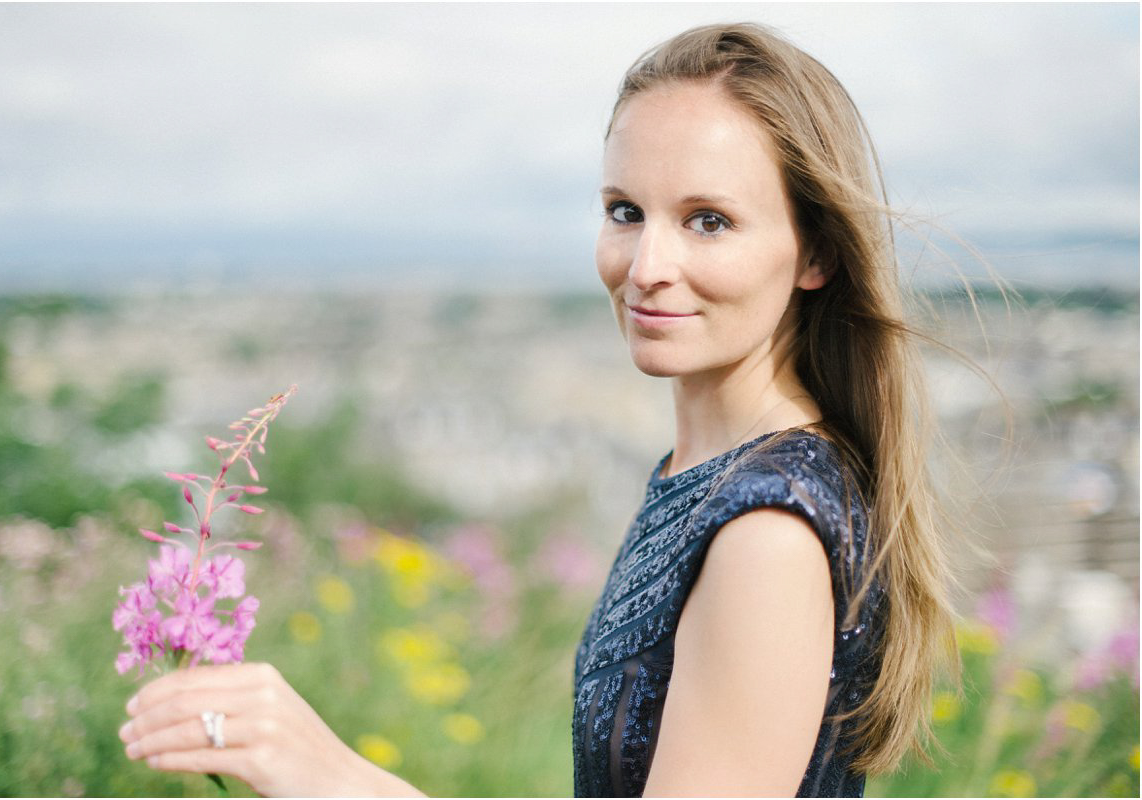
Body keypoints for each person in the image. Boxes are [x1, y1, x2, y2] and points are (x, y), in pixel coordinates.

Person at [118, 22, 957, 797]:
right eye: (626, 212)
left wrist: (331, 774)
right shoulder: (708, 478)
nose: (647, 265)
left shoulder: (766, 534)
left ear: (814, 250)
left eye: (708, 221)